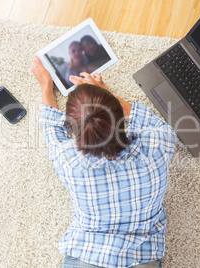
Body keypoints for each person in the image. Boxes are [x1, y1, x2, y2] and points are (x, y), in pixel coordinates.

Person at [32, 56, 177, 268]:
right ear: (119, 118)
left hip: (86, 253)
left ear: (73, 130)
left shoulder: (68, 160)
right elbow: (158, 126)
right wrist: (108, 97)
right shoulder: (157, 145)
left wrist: (46, 86)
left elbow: (52, 132)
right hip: (141, 256)